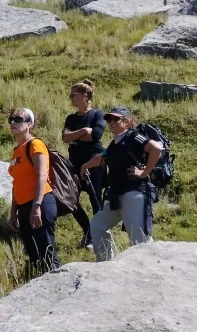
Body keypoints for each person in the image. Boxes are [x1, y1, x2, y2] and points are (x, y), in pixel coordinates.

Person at [80, 106, 163, 262]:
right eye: (109, 120)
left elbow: (156, 149)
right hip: (117, 195)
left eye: (115, 119)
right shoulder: (115, 143)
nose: (111, 122)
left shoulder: (133, 136)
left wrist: (144, 173)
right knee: (98, 225)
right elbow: (102, 157)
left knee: (139, 240)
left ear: (126, 120)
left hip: (135, 192)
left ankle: (146, 271)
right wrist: (85, 166)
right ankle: (109, 265)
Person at [7, 107, 59, 274]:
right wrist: (13, 212)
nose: (13, 122)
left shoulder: (35, 144)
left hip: (40, 202)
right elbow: (17, 183)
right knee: (33, 253)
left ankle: (57, 287)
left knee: (46, 250)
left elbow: (42, 174)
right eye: (11, 120)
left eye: (18, 119)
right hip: (23, 206)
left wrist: (36, 205)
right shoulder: (16, 151)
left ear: (29, 124)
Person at [61, 79, 106, 248]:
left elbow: (94, 136)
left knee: (95, 199)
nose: (71, 97)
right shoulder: (71, 118)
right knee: (70, 199)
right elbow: (65, 138)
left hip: (94, 161)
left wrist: (76, 135)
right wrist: (84, 131)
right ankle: (88, 230)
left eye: (74, 95)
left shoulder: (97, 115)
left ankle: (98, 236)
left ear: (85, 96)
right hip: (74, 163)